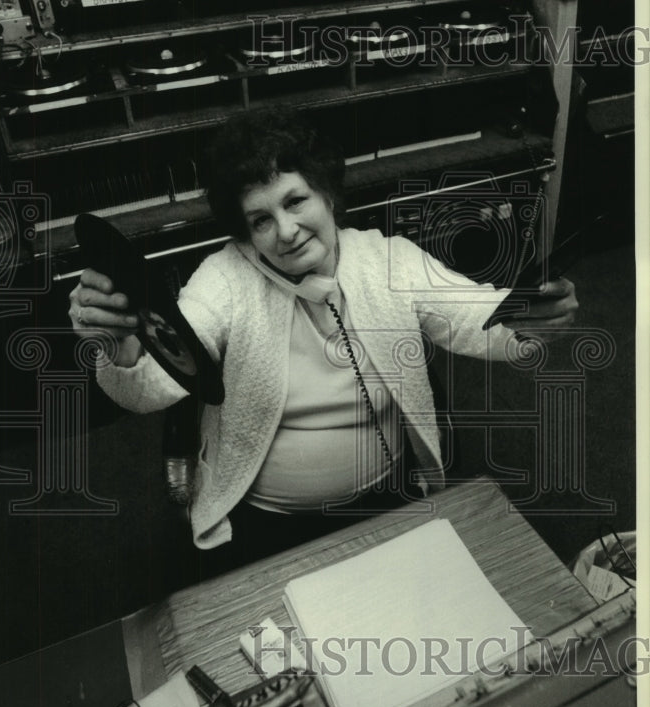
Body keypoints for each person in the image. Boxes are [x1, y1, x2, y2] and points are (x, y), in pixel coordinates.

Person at [68, 107, 578, 577]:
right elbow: (153, 386)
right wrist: (123, 349)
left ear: (327, 194)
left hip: (387, 497)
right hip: (266, 523)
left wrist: (527, 319)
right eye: (260, 220)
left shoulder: (388, 259)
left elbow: (474, 318)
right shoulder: (222, 279)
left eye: (295, 201)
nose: (285, 232)